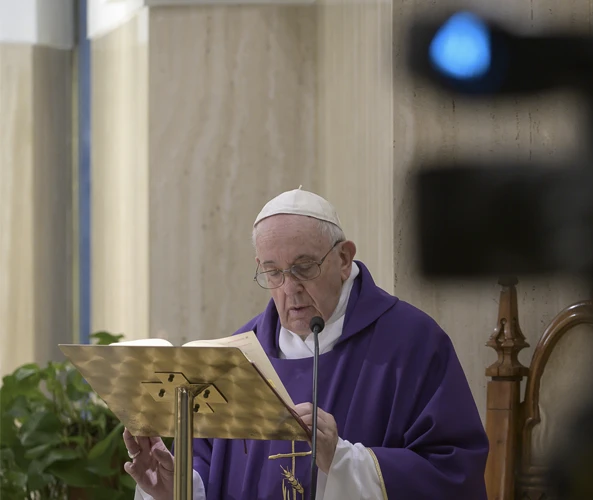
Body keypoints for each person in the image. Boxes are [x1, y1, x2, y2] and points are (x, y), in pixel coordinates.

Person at [122, 186, 489, 499]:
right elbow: (208, 471)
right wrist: (176, 490)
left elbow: (454, 473)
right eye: (273, 272)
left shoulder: (412, 343)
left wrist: (343, 460)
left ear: (344, 258)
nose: (289, 288)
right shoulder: (236, 360)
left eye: (304, 267)